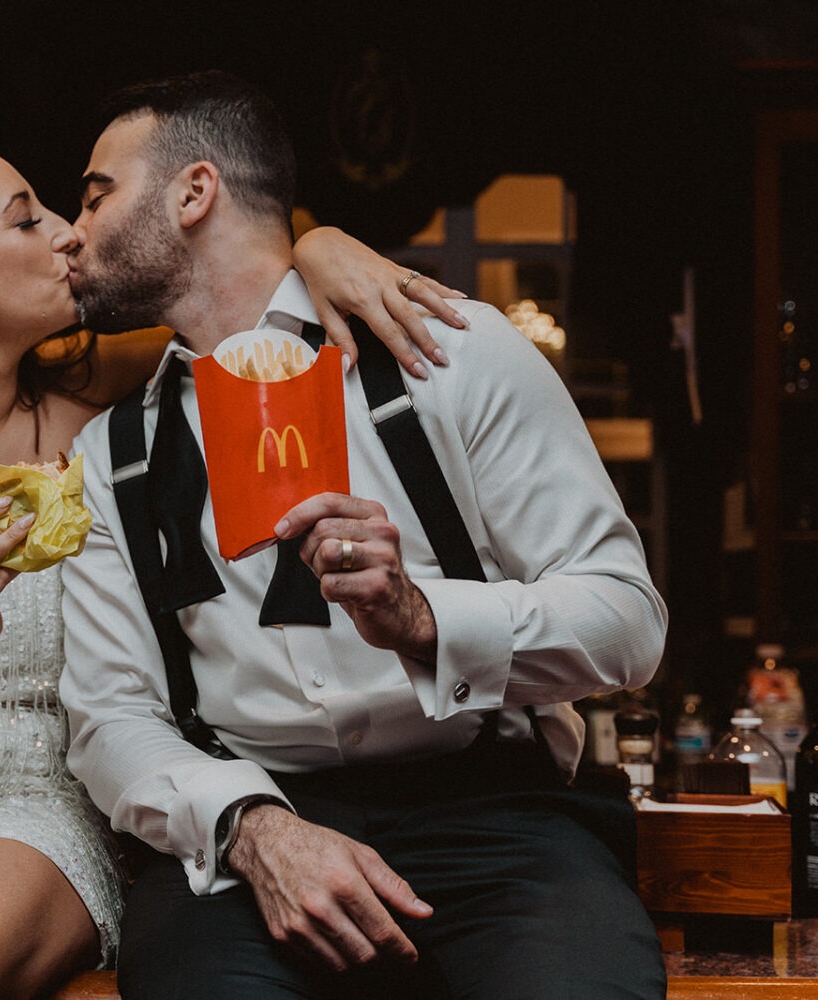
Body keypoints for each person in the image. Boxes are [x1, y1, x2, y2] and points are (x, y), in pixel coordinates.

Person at [0, 132, 466, 1000]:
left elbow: (241, 291)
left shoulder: (101, 398)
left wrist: (324, 246)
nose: (68, 233)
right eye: (28, 221)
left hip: (24, 804)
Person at [59, 71, 670, 999]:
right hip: (249, 838)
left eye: (97, 193)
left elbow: (630, 625)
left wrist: (425, 619)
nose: (75, 229)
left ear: (194, 192)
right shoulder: (113, 457)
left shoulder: (456, 353)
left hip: (497, 822)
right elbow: (112, 716)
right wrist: (255, 830)